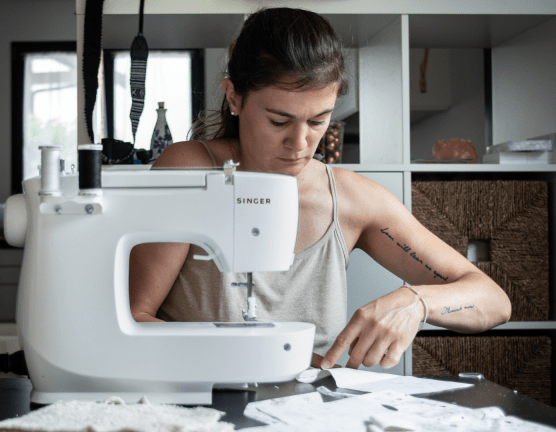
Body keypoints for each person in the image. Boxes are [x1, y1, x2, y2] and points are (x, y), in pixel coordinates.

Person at [128, 7, 511, 370]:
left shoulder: (352, 199)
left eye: (318, 121)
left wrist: (417, 301)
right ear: (234, 97)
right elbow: (133, 317)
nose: (299, 144)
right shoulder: (189, 170)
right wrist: (249, 356)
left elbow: (493, 301)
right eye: (279, 121)